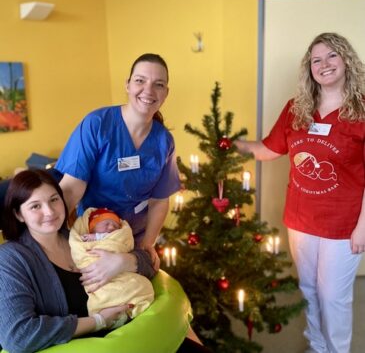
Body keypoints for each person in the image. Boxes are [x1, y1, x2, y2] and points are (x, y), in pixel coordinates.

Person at [235, 33, 365, 353]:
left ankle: (337, 350)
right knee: (308, 288)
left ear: (346, 59)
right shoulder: (297, 109)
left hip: (344, 224)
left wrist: (363, 226)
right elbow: (268, 148)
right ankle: (317, 346)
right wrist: (231, 145)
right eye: (316, 60)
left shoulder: (361, 111)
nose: (324, 65)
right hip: (301, 219)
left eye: (331, 56)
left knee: (333, 296)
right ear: (309, 69)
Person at [0, 169, 211, 353]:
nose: (49, 212)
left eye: (54, 199)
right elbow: (18, 336)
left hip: (136, 336)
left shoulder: (81, 236)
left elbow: (149, 264)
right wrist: (99, 321)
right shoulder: (11, 259)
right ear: (19, 214)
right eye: (35, 206)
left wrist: (125, 261)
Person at [55, 53, 180, 292]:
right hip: (95, 237)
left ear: (166, 93)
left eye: (158, 84)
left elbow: (159, 201)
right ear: (128, 84)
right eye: (140, 81)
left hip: (134, 240)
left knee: (138, 297)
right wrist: (55, 242)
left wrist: (146, 246)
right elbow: (71, 189)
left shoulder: (164, 141)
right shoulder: (97, 124)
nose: (148, 90)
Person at [69, 207, 154, 328]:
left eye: (115, 225)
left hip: (122, 272)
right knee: (104, 294)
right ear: (92, 227)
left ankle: (127, 310)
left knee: (144, 286)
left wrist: (122, 260)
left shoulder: (117, 237)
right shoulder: (86, 240)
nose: (111, 227)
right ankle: (115, 309)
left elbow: (146, 262)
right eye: (106, 223)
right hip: (99, 282)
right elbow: (83, 251)